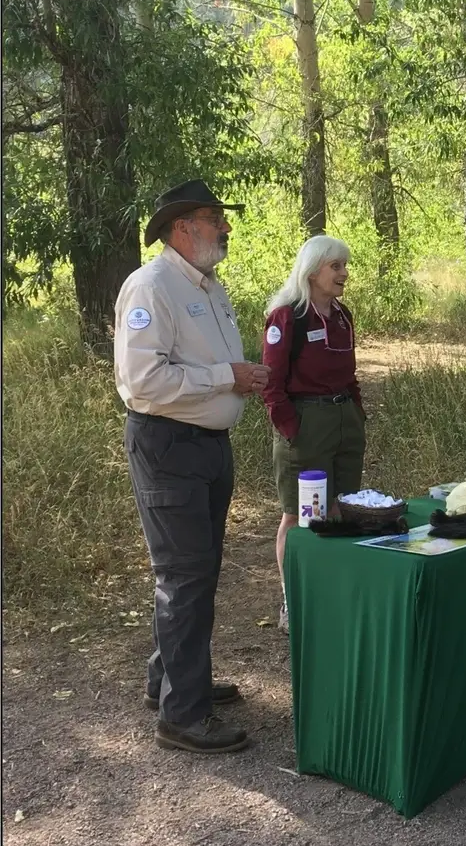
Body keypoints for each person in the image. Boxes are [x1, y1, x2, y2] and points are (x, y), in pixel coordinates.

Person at [114, 179, 270, 755]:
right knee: (182, 577)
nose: (226, 227)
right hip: (169, 447)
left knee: (196, 572)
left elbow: (207, 363)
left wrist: (241, 375)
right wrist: (227, 377)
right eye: (215, 218)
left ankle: (174, 681)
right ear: (183, 228)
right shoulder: (151, 287)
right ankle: (183, 717)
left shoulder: (206, 285)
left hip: (206, 446)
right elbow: (142, 382)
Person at [262, 236, 366, 633]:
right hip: (306, 423)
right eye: (335, 266)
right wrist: (291, 428)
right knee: (299, 514)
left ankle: (330, 592)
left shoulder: (342, 316)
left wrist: (355, 413)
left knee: (340, 506)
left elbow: (350, 372)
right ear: (312, 270)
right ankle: (294, 599)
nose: (343, 274)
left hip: (343, 419)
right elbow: (272, 383)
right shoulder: (288, 316)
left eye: (344, 265)